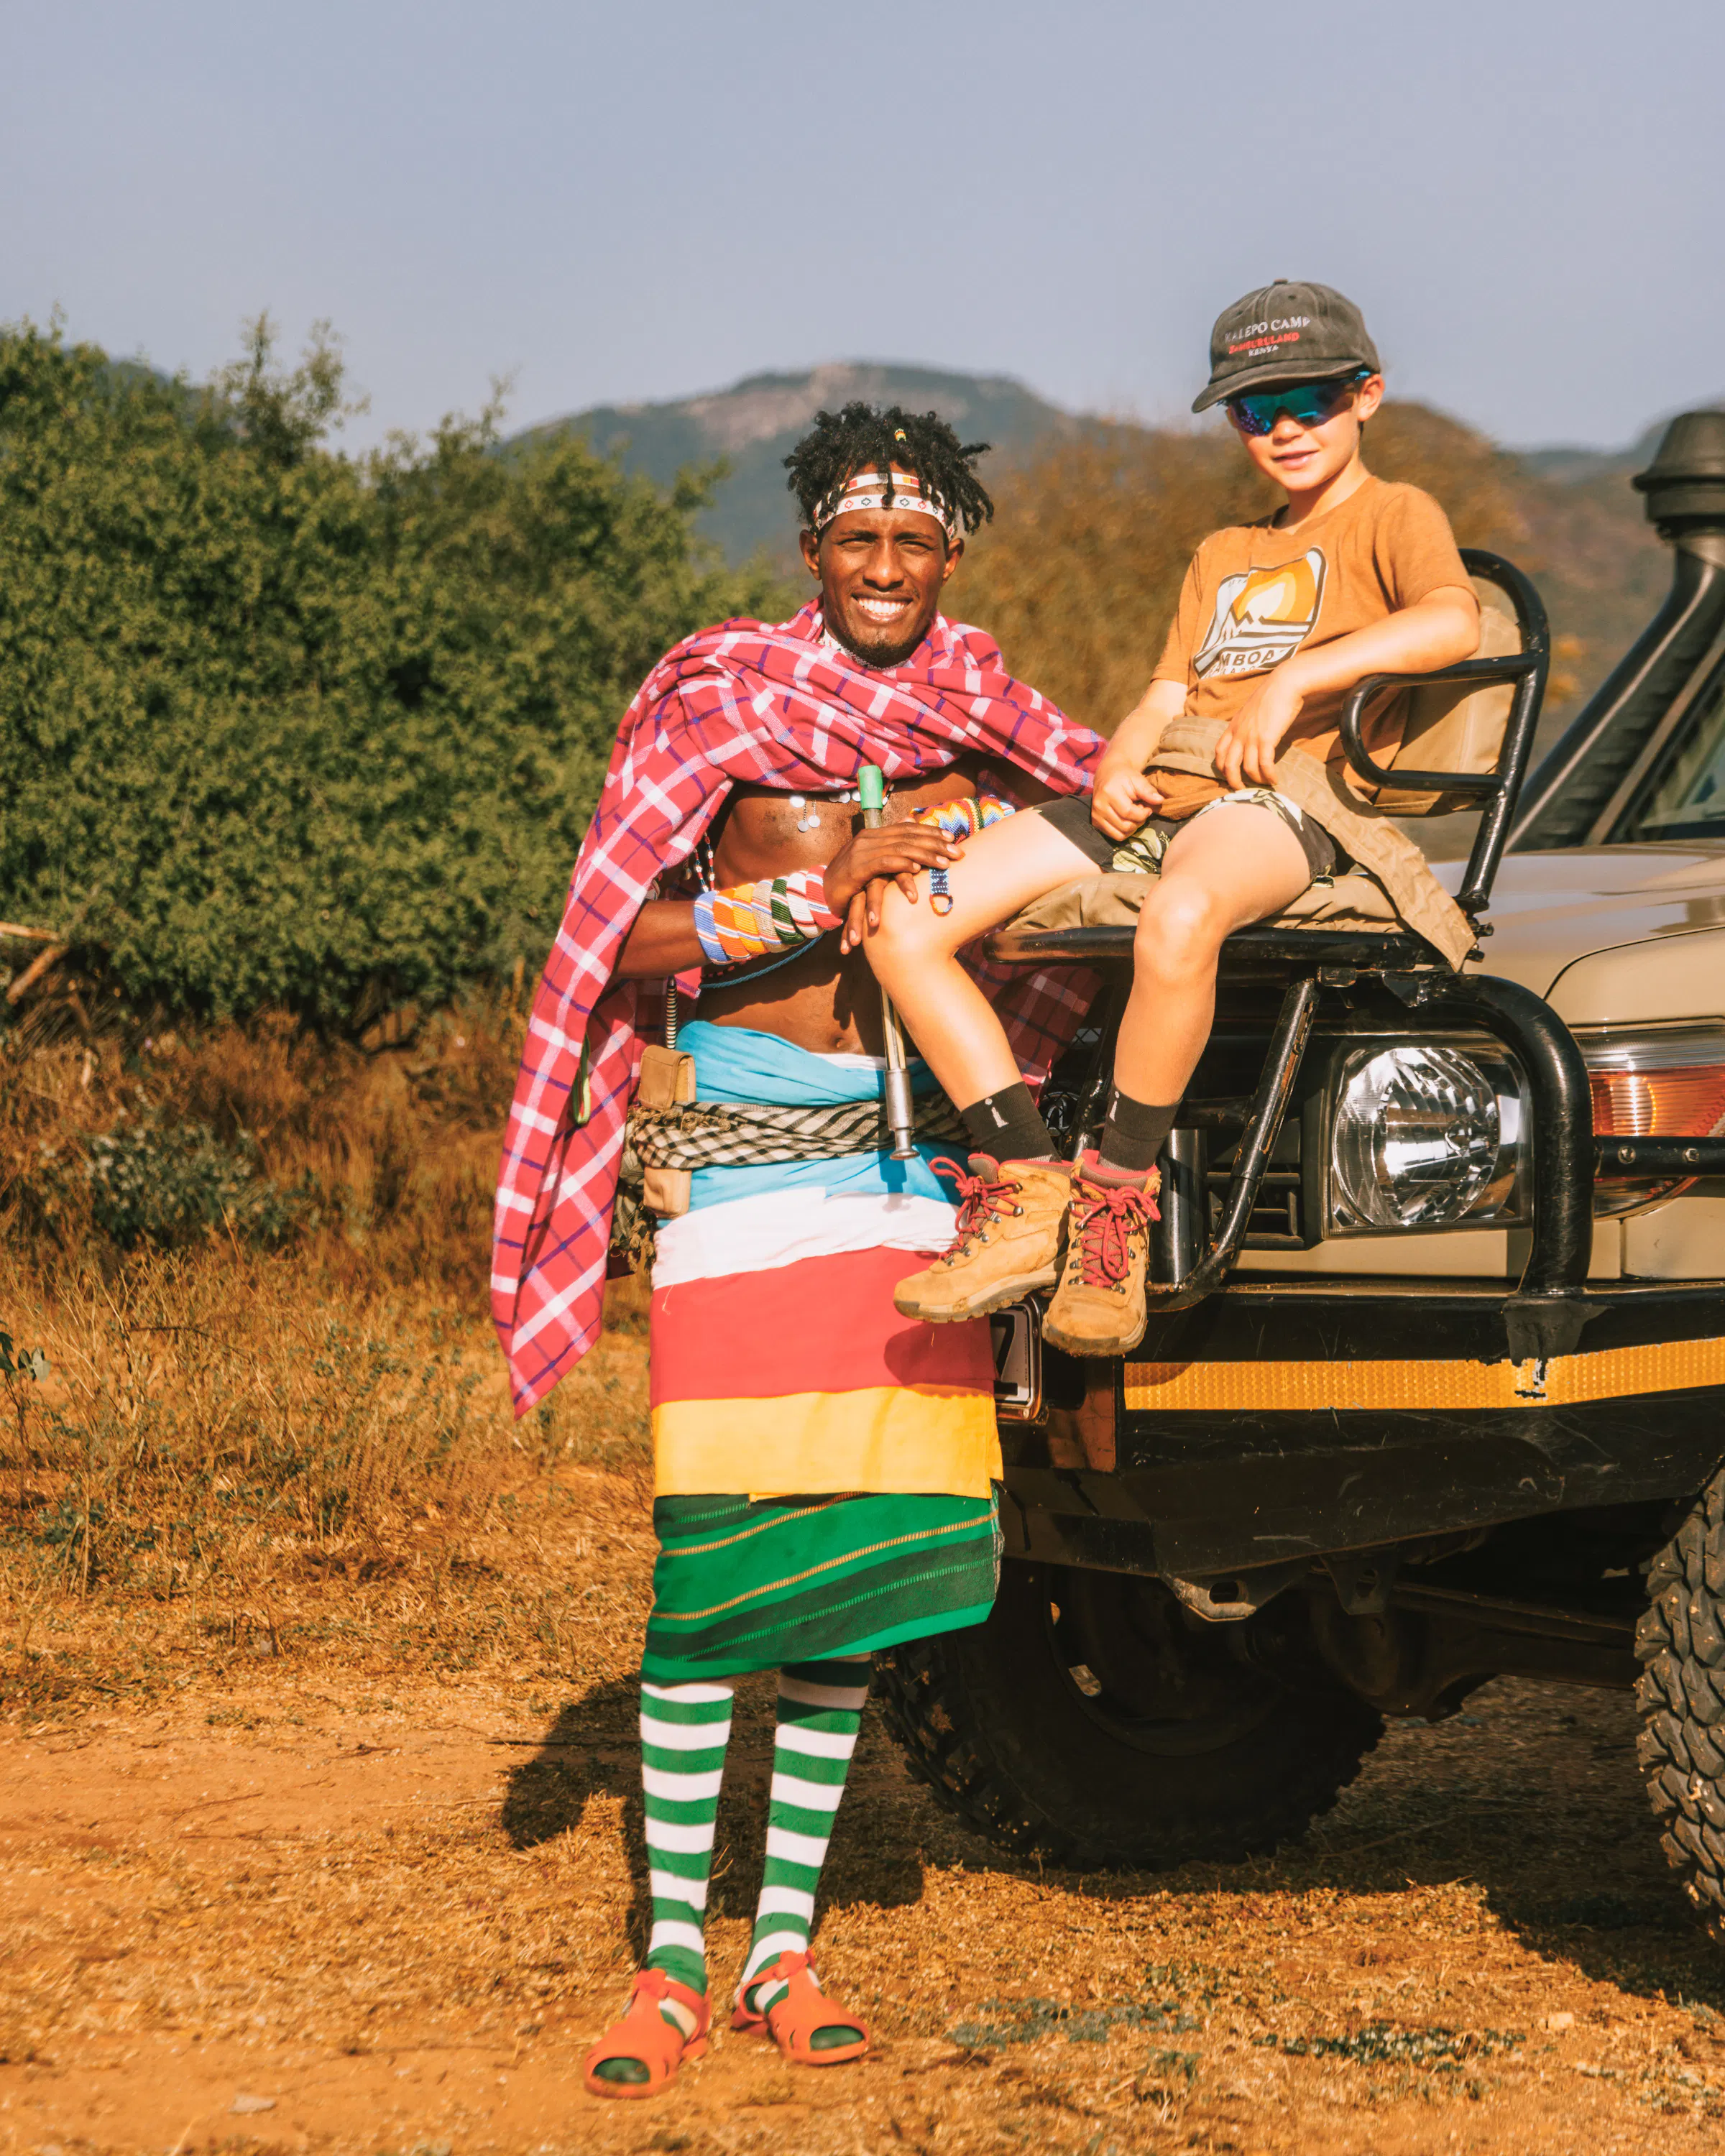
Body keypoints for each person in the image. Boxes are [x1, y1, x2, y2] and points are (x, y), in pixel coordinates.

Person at [490, 403, 1102, 2100]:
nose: (887, 571)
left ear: (951, 558)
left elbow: (1110, 831)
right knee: (712, 1569)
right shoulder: (719, 705)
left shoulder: (988, 714)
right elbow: (621, 929)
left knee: (853, 1579)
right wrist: (819, 889)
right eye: (859, 542)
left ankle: (784, 1945)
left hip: (918, 1179)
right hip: (747, 1160)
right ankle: (670, 1961)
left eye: (916, 545)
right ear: (814, 552)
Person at [865, 281, 1482, 1357]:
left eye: (1309, 401)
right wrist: (1115, 763)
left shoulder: (1396, 515)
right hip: (1163, 790)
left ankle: (1114, 1203)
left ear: (1367, 396)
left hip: (1276, 799)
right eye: (1255, 410)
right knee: (904, 924)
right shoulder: (1222, 553)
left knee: (1182, 915)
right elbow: (1164, 693)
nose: (1284, 429)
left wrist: (1296, 687)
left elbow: (1452, 621)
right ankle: (1023, 1184)